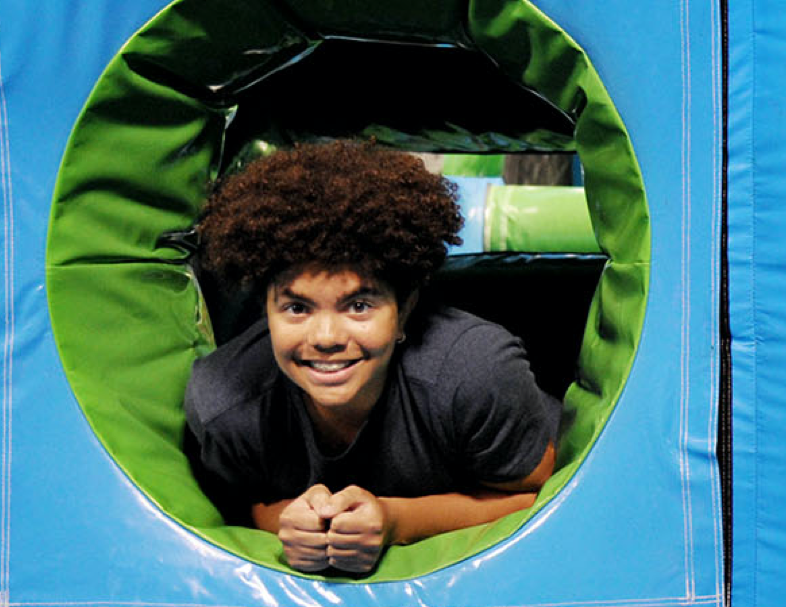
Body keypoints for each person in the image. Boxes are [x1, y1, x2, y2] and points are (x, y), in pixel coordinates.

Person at [184, 141, 560, 575]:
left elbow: (544, 498)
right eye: (297, 308)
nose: (325, 337)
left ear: (405, 310)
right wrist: (293, 524)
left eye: (359, 305)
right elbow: (241, 506)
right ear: (265, 309)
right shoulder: (223, 400)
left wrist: (394, 520)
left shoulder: (473, 373)